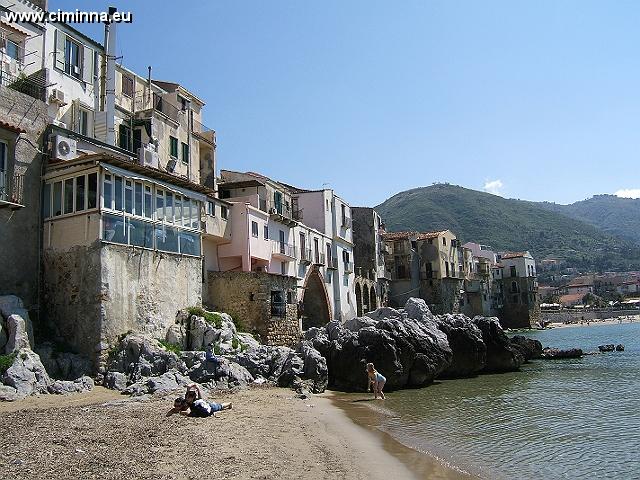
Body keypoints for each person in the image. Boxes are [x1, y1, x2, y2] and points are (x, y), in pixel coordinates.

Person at [167, 384, 232, 417]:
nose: (175, 407)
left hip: (208, 407)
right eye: (175, 405)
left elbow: (188, 412)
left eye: (177, 405)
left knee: (220, 406)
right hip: (204, 404)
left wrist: (179, 412)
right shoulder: (187, 401)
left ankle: (229, 403)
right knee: (219, 406)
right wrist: (195, 387)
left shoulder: (195, 403)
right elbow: (188, 390)